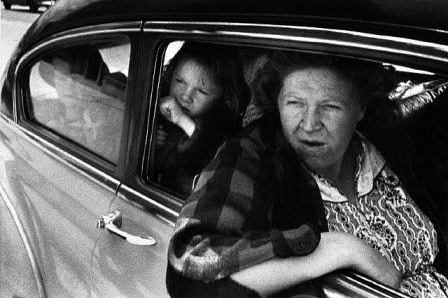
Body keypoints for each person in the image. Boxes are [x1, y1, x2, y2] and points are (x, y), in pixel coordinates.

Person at [166, 50, 448, 297]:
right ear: (276, 102)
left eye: (330, 106)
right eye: (295, 103)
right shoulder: (252, 154)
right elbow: (190, 266)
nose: (310, 124)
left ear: (361, 108)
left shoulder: (386, 141)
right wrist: (337, 249)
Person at [154, 42, 250, 195]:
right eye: (179, 81)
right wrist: (148, 137)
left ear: (224, 97)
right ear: (170, 74)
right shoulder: (156, 101)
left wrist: (181, 120)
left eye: (201, 91)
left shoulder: (219, 126)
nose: (186, 96)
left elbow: (208, 149)